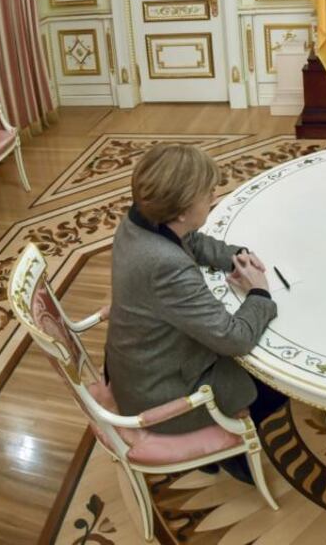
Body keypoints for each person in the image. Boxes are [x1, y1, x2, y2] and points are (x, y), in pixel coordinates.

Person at [105, 143, 286, 482]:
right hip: (162, 393)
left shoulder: (141, 219)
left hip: (139, 363)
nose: (213, 198)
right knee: (275, 384)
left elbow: (192, 241)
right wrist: (259, 291)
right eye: (208, 194)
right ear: (183, 210)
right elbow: (234, 339)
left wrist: (236, 254)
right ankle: (232, 450)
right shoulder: (166, 265)